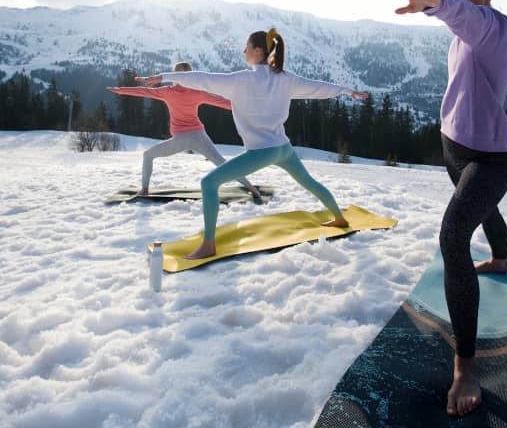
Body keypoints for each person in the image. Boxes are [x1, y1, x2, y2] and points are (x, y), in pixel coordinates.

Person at [395, 0, 507, 419]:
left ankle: (465, 365)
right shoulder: (463, 30)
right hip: (454, 146)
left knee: (453, 235)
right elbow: (461, 24)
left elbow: (468, 17)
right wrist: (443, 7)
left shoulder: (495, 26)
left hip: (490, 158)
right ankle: (502, 258)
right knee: (485, 210)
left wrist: (441, 0)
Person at [136, 28, 367, 259]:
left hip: (261, 152)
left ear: (257, 52)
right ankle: (339, 217)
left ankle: (208, 245)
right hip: (284, 149)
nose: (243, 50)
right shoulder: (285, 79)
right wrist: (347, 91)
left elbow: (202, 78)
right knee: (309, 182)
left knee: (208, 183)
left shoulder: (241, 80)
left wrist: (164, 77)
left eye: (247, 46)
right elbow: (317, 87)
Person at [107, 62, 259, 198]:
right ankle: (250, 187)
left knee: (148, 155)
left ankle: (144, 189)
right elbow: (224, 103)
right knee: (222, 163)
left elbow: (143, 92)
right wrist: (249, 108)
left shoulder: (167, 92)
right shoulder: (198, 92)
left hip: (180, 139)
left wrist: (120, 90)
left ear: (175, 75)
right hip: (200, 136)